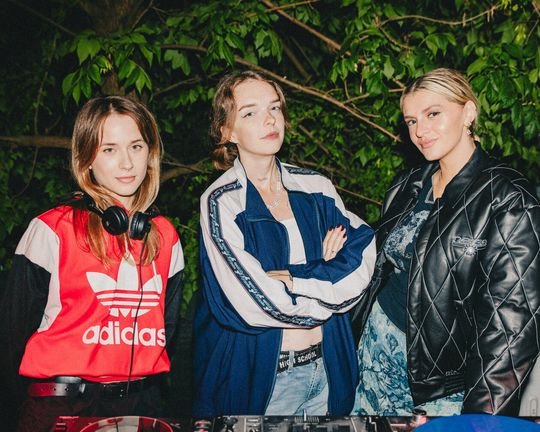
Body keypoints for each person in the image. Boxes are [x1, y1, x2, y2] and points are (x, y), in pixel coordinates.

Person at [350, 68, 540, 416]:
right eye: (411, 121)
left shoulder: (508, 200)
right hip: (375, 362)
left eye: (433, 114)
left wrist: (480, 418)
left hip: (444, 390)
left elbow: (512, 327)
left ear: (468, 113)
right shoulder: (408, 185)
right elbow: (381, 268)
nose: (420, 131)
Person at [192, 70, 376, 417]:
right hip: (265, 377)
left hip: (328, 368)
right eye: (250, 112)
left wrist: (293, 278)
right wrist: (327, 278)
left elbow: (364, 251)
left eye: (274, 107)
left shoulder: (316, 187)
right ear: (227, 131)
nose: (269, 119)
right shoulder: (221, 201)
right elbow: (253, 300)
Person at [0, 96, 184, 432]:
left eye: (136, 146)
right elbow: (12, 337)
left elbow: (167, 328)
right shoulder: (51, 230)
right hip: (61, 407)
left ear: (151, 154)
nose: (127, 163)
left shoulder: (165, 236)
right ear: (86, 159)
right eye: (109, 149)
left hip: (142, 405)